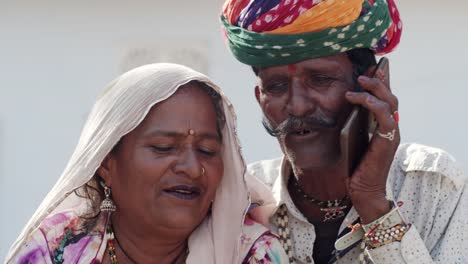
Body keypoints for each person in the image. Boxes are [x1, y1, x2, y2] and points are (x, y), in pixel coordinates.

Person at [221, 0, 468, 263]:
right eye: (276, 86)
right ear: (260, 98)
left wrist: (374, 202)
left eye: (321, 80)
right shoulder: (241, 202)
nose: (298, 106)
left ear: (374, 86)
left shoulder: (431, 184)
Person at [6, 63, 289, 264]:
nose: (192, 168)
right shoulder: (57, 248)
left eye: (207, 150)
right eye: (164, 148)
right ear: (106, 162)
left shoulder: (253, 254)